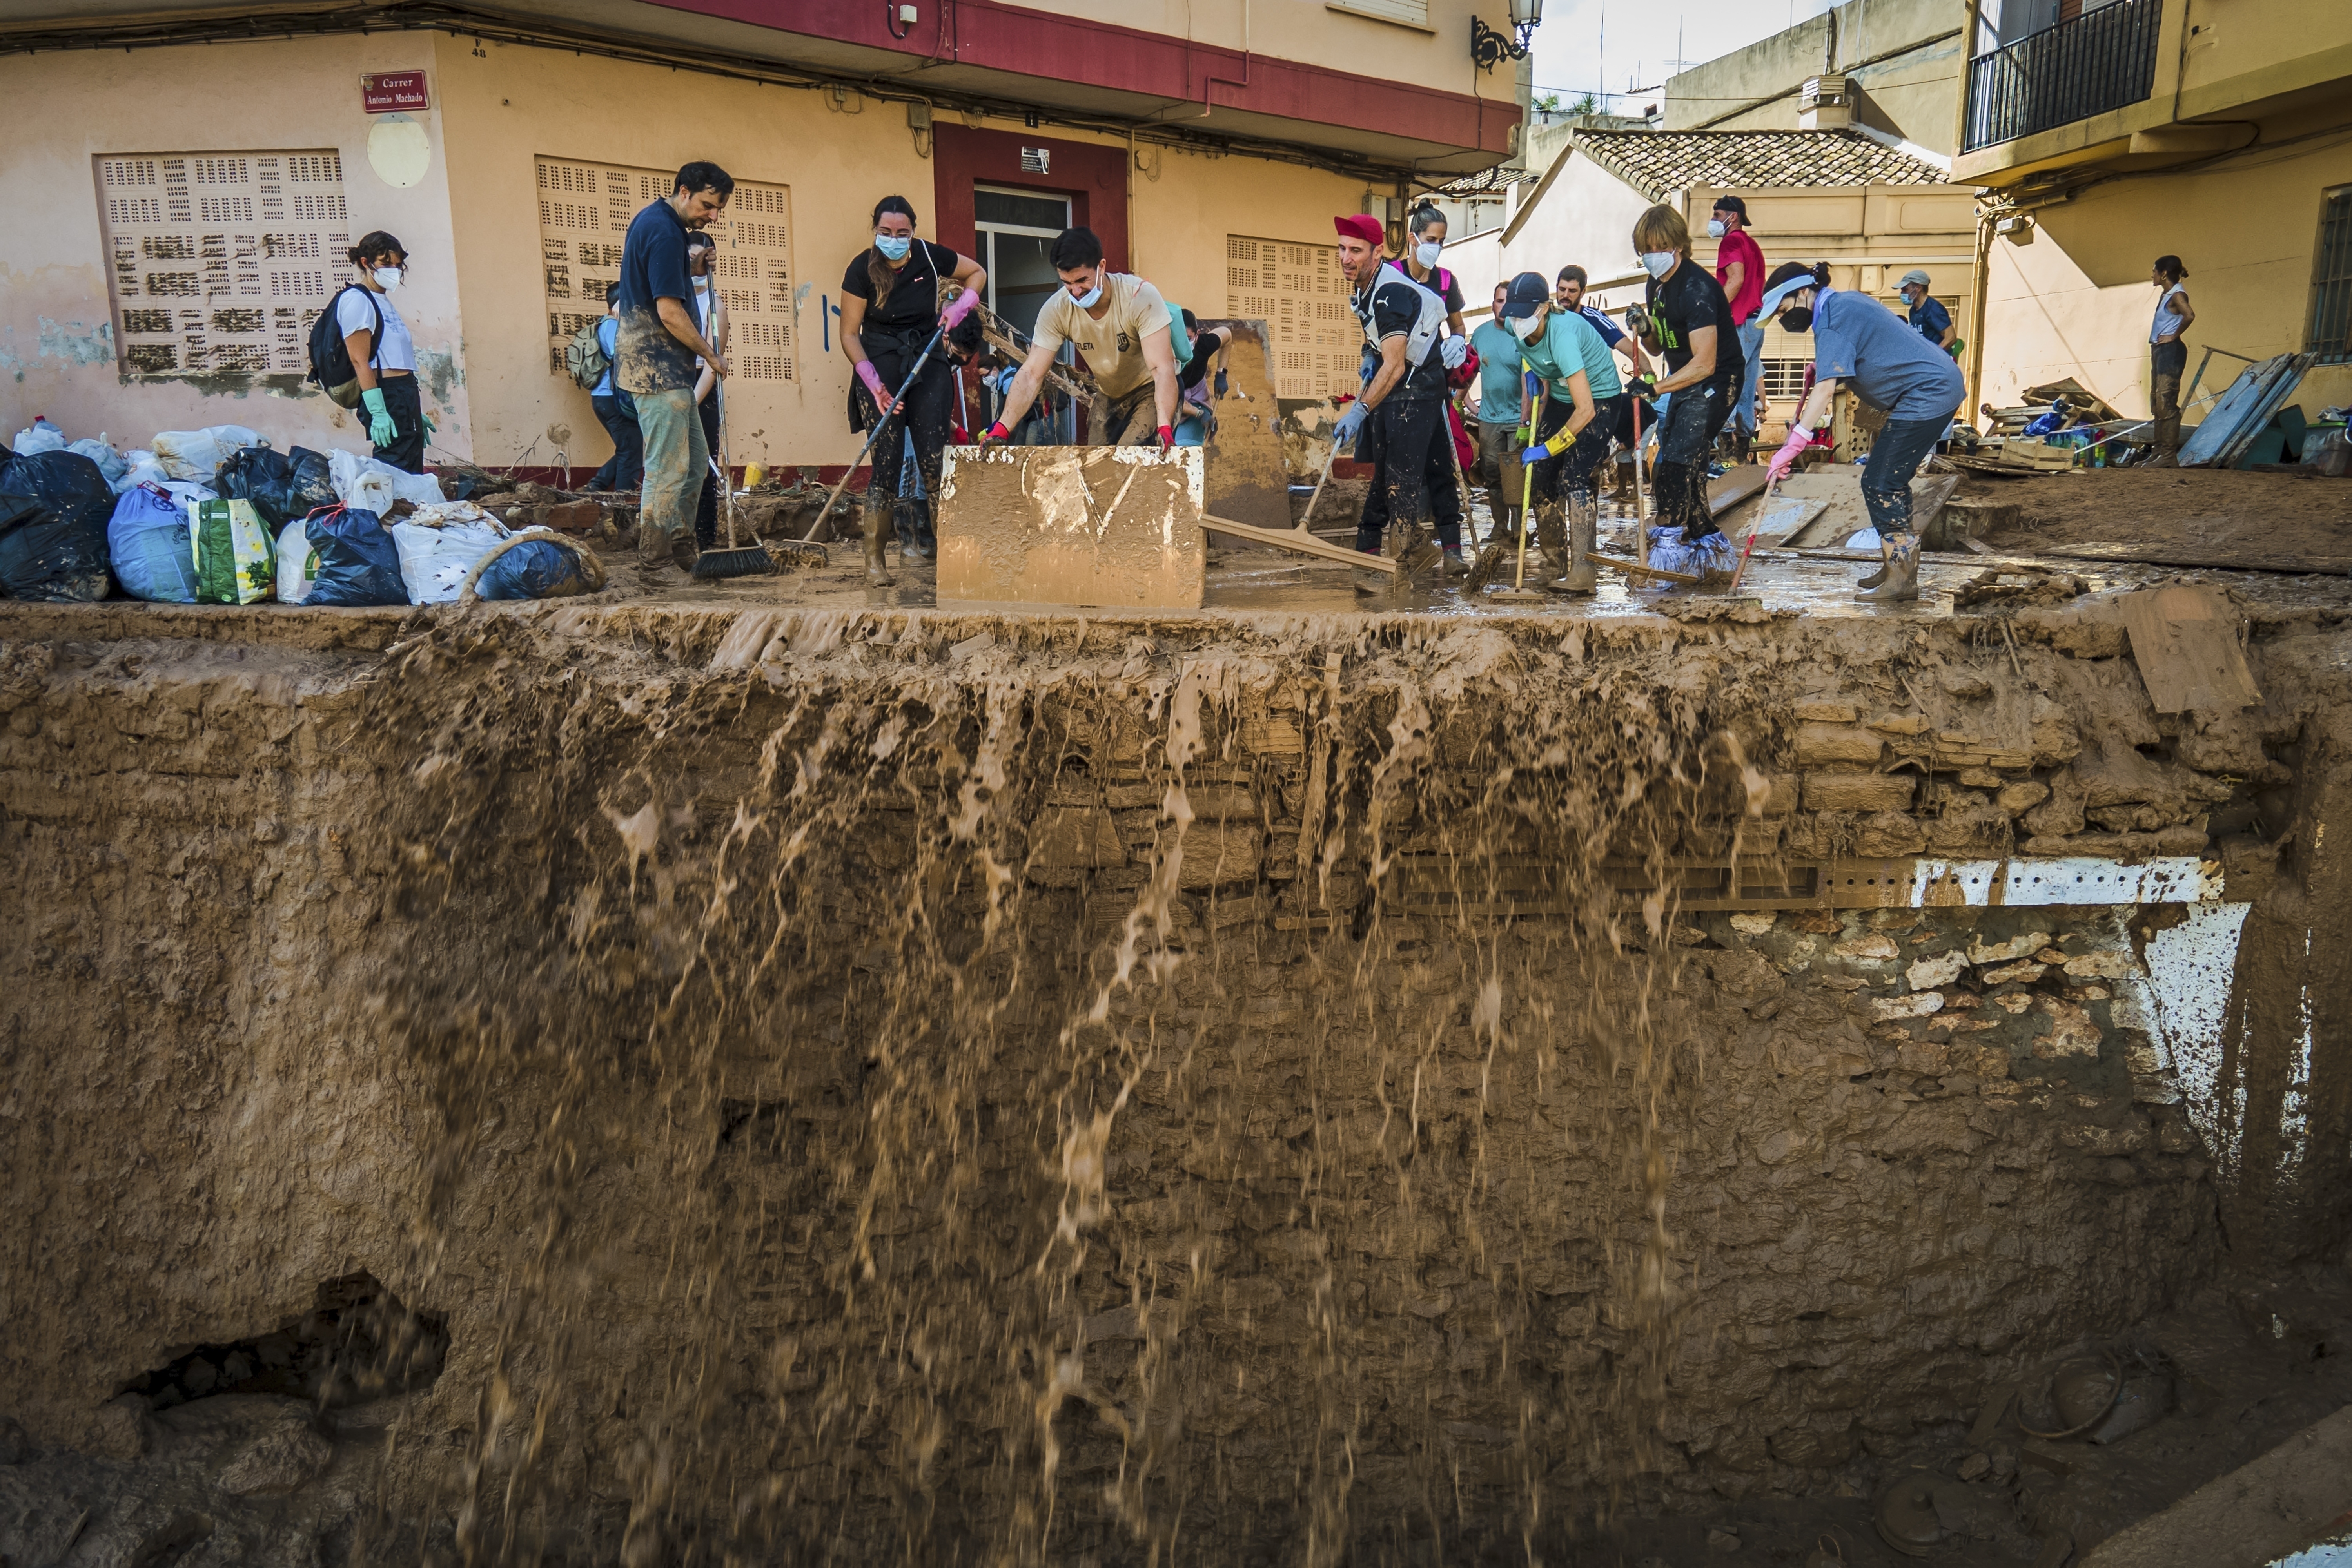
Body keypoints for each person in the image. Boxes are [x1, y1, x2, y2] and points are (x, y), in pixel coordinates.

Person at [1759, 259, 1965, 603]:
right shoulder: (1841, 305)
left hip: (1928, 393)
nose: (1784, 319)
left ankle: (1902, 578)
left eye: (1783, 310)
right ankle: (1895, 567)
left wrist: (1793, 445)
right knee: (1889, 479)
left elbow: (1825, 390)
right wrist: (1823, 366)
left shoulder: (1834, 317)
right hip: (1931, 389)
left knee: (1881, 482)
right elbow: (1856, 354)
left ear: (1803, 292)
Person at [840, 194, 986, 581]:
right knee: (886, 464)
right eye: (886, 231)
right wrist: (872, 382)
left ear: (913, 231)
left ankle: (948, 559)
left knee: (934, 462)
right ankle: (875, 562)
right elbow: (849, 333)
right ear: (875, 230)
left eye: (902, 232)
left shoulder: (929, 256)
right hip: (879, 364)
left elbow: (977, 273)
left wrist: (962, 305)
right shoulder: (861, 269)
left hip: (928, 360)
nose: (894, 239)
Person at [1325, 212, 1454, 591]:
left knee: (1401, 479)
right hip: (1399, 382)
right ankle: (1416, 549)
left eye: (1356, 251)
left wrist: (1360, 410)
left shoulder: (1390, 293)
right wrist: (1370, 353)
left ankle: (1399, 569)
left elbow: (1395, 365)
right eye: (1342, 249)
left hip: (1419, 386)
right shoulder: (1365, 287)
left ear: (1377, 252)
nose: (1346, 258)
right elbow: (1380, 341)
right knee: (1386, 474)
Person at [616, 160, 732, 576]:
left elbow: (659, 281)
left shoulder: (658, 223)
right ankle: (655, 560)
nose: (713, 217)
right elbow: (669, 312)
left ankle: (682, 544)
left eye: (718, 209)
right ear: (684, 191)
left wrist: (694, 269)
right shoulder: (665, 232)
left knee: (696, 462)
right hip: (655, 368)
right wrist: (712, 355)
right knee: (667, 468)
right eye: (707, 205)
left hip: (667, 370)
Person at [983, 227, 1178, 453]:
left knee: (1130, 456)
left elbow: (1162, 369)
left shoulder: (1139, 297)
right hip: (1109, 395)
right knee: (1094, 462)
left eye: (1082, 280)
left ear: (1101, 267)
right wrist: (1002, 428)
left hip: (1149, 389)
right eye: (1067, 283)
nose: (1076, 291)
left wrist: (1164, 426)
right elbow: (1031, 373)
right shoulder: (1057, 310)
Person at [1630, 203, 1745, 546]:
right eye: (1647, 249)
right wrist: (1645, 327)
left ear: (1678, 245)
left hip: (1717, 380)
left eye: (1661, 247)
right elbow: (1656, 348)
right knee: (1680, 460)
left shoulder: (1697, 289)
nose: (1654, 255)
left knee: (1678, 460)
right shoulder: (1656, 284)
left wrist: (1655, 388)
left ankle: (1668, 538)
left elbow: (1706, 363)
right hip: (1685, 377)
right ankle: (1705, 538)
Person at [1497, 271, 1613, 593]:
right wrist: (1531, 372)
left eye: (1525, 314)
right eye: (1514, 314)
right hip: (1563, 397)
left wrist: (1547, 448)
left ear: (1544, 308)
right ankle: (1554, 565)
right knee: (1540, 477)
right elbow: (1527, 352)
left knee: (1574, 478)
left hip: (1600, 399)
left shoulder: (1563, 337)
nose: (1518, 321)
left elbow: (1586, 410)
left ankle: (1583, 571)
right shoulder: (1514, 324)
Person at [337, 230, 429, 474]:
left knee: (411, 466)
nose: (394, 271)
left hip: (404, 391)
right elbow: (359, 360)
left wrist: (413, 411)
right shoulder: (358, 300)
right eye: (386, 264)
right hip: (385, 393)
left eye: (398, 265)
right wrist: (378, 411)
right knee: (395, 467)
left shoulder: (382, 300)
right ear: (366, 263)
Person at [1469, 282, 1527, 545]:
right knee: (1492, 473)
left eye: (1508, 301)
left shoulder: (1523, 335)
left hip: (1517, 419)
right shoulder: (1481, 335)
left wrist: (1526, 420)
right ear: (1492, 304)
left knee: (1515, 475)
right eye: (1499, 301)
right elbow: (1468, 371)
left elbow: (1530, 381)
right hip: (1489, 419)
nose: (1503, 307)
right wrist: (1463, 403)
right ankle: (1500, 526)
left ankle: (1519, 530)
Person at [1710, 195, 1767, 455]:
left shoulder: (1731, 241)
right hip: (1757, 321)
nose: (1713, 220)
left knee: (1728, 376)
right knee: (1747, 380)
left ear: (1733, 217)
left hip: (1739, 321)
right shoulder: (1752, 244)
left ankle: (1725, 433)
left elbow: (1735, 279)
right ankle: (1744, 440)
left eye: (1718, 215)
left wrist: (1715, 313)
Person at [686, 232, 729, 551]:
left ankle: (705, 539)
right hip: (674, 382)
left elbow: (713, 364)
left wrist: (691, 403)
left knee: (703, 466)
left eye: (704, 258)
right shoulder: (672, 300)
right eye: (691, 258)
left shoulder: (715, 305)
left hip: (701, 386)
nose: (698, 265)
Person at [1396, 205, 1470, 371]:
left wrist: (1457, 340)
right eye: (1431, 240)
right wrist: (1370, 355)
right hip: (1393, 371)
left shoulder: (1446, 281)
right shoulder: (1393, 275)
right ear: (1413, 238)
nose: (1437, 247)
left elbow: (1458, 325)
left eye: (1441, 241)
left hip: (1431, 374)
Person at [584, 285, 641, 494]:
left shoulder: (606, 324)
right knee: (630, 451)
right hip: (613, 399)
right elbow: (624, 357)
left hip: (605, 398)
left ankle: (597, 485)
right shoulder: (612, 325)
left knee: (629, 449)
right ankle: (623, 500)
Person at [2149, 255, 2194, 465]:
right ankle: (2158, 453)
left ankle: (2168, 456)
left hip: (2170, 352)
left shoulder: (2177, 294)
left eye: (2155, 271)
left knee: (2166, 403)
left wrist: (2174, 336)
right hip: (2159, 351)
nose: (2153, 275)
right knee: (2157, 403)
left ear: (2164, 274)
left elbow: (2189, 315)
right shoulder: (2167, 295)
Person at [1897, 270, 1956, 355]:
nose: (1902, 294)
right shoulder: (1913, 310)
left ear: (1918, 288)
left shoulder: (1933, 309)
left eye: (1905, 290)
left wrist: (1933, 356)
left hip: (1935, 361)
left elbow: (1951, 337)